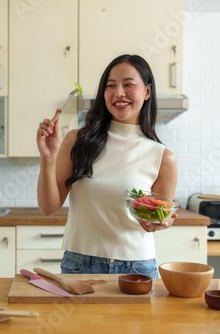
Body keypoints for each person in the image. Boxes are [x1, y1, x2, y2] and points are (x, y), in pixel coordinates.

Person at [36, 54, 178, 278]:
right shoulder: (77, 140)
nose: (118, 93)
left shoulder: (162, 157)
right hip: (80, 264)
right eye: (110, 86)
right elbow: (48, 208)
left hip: (138, 268)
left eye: (128, 84)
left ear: (147, 91)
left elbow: (162, 215)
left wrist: (163, 222)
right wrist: (47, 158)